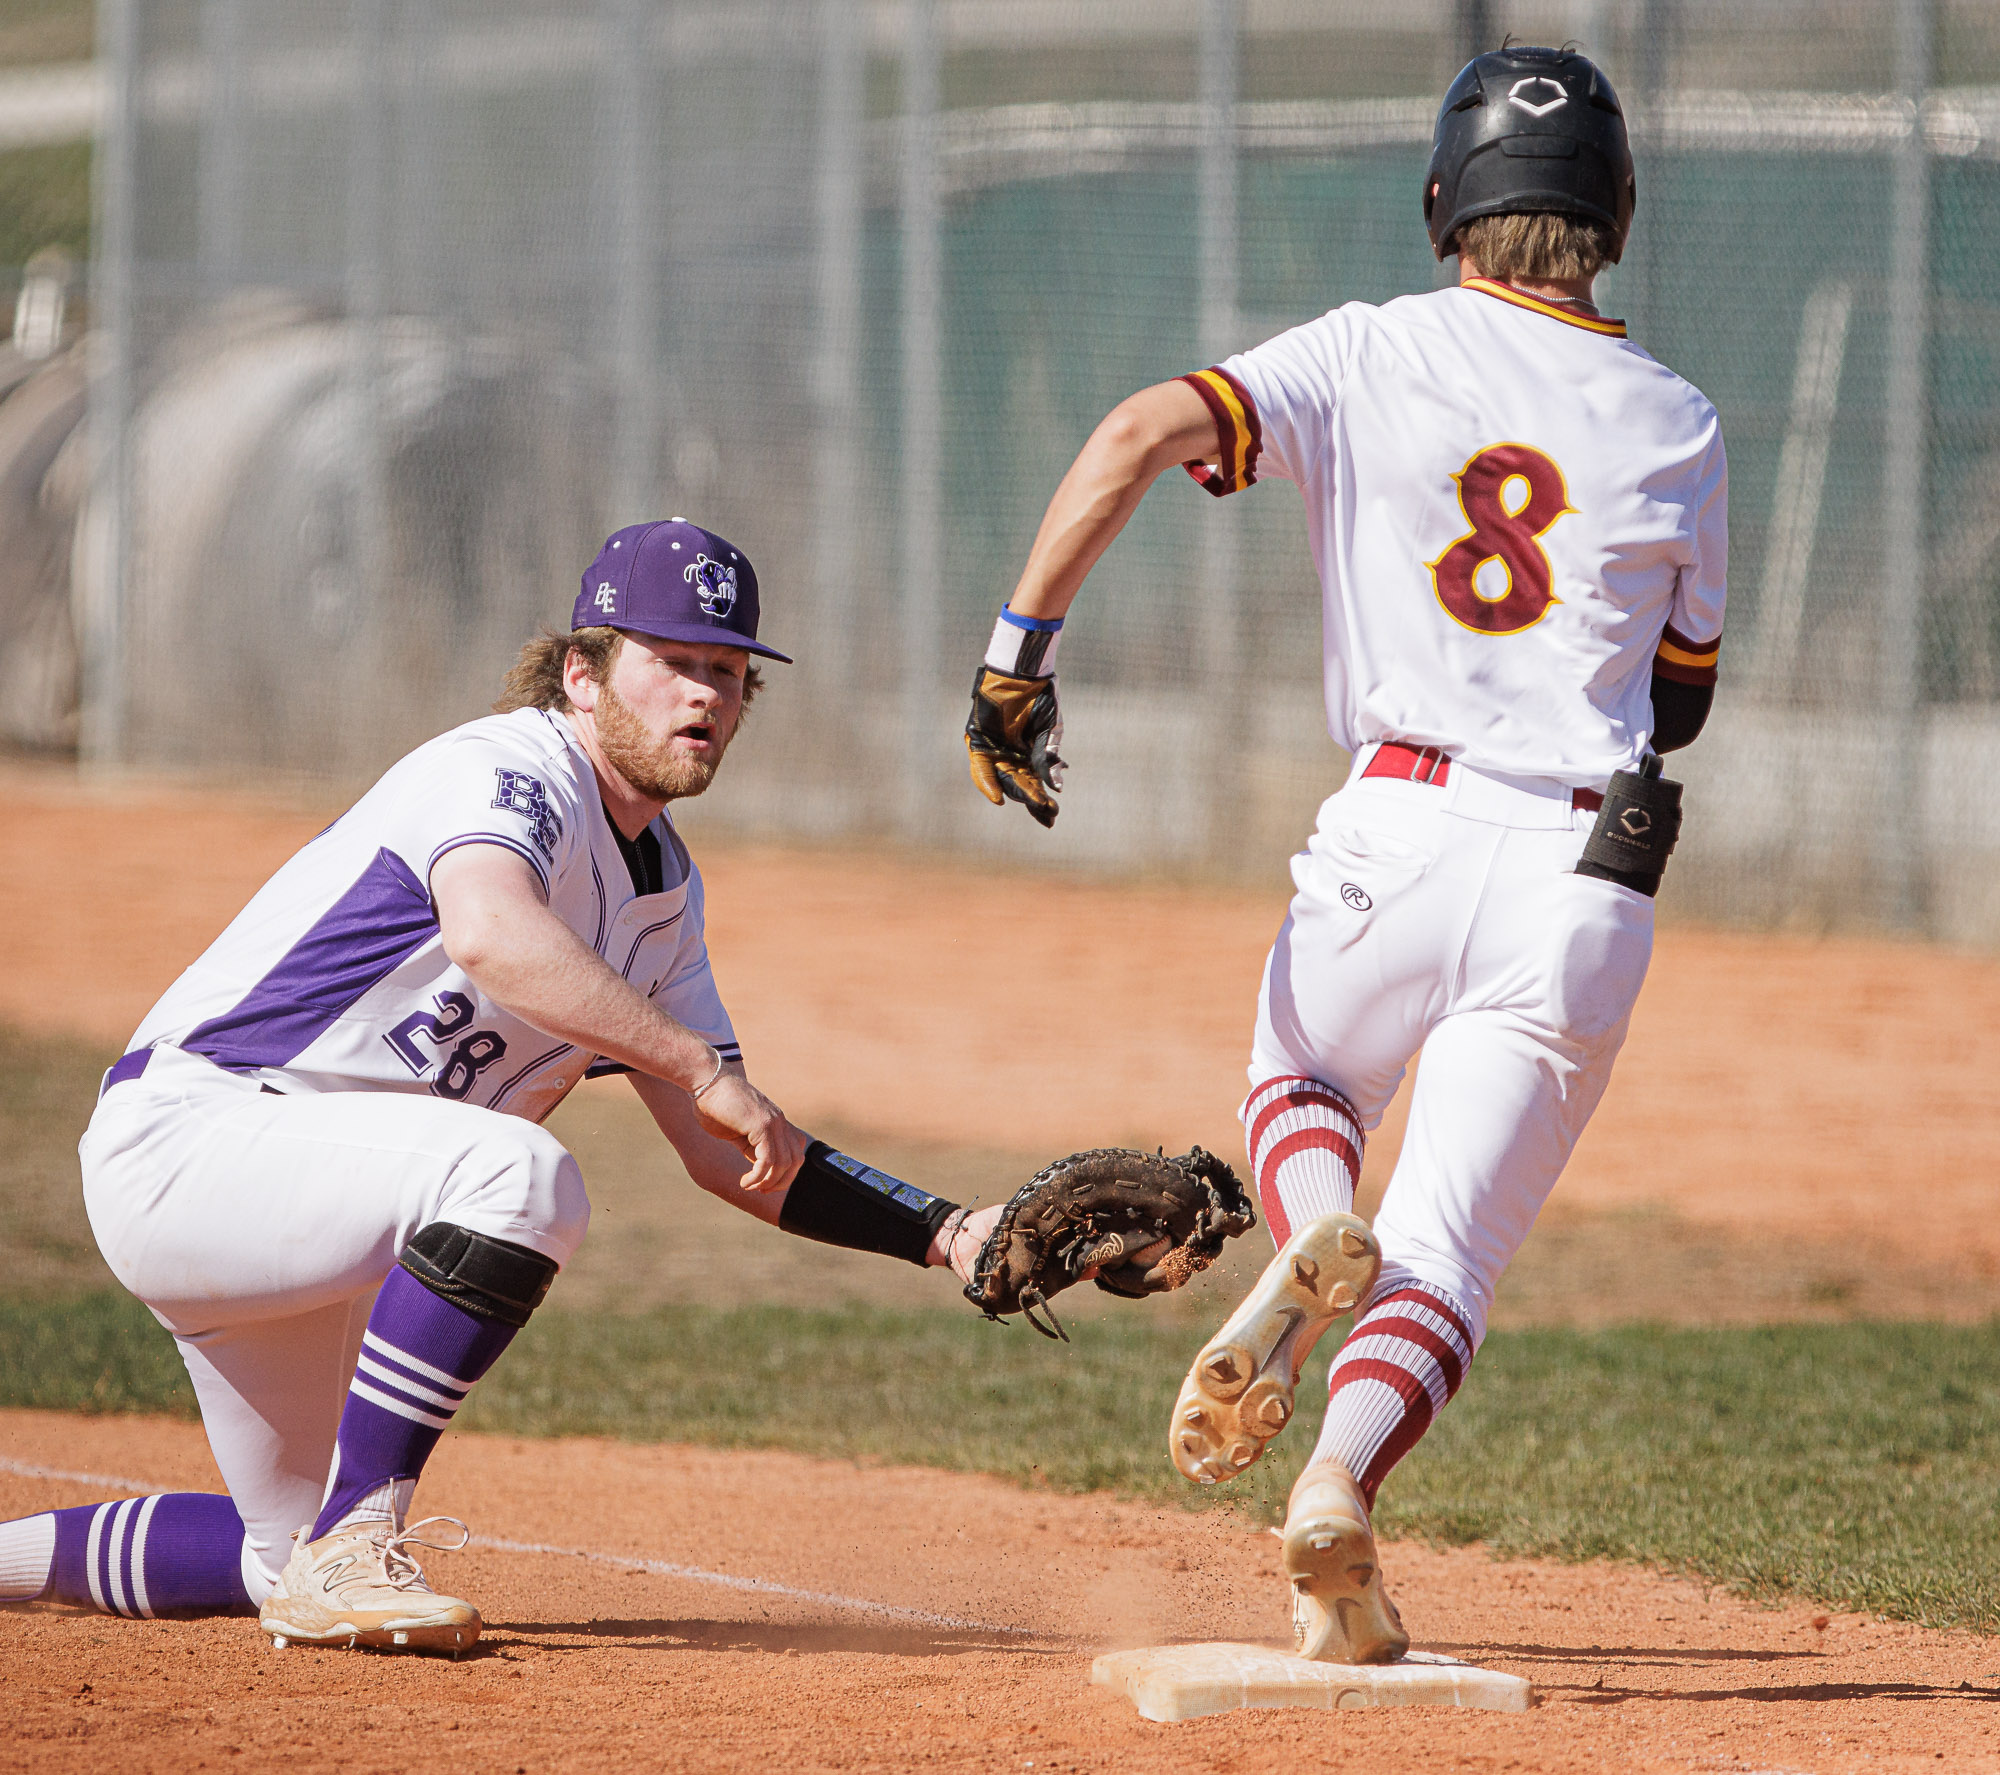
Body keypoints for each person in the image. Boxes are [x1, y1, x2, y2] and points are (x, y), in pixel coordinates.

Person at [963, 45, 1724, 1662]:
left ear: (1445, 200)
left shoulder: (1369, 353)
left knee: (1301, 1085)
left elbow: (1135, 434)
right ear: (1618, 216)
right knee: (1450, 1257)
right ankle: (1333, 1492)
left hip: (1397, 818)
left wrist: (1018, 653)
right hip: (1584, 863)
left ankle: (1315, 1221)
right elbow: (1686, 690)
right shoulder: (1678, 414)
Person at [0, 518, 1003, 1650]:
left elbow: (734, 1151)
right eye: (673, 661)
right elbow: (489, 930)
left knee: (266, 1555)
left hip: (311, 1193)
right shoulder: (504, 766)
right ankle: (359, 1540)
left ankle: (264, 1555)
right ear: (581, 671)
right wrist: (683, 1056)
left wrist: (951, 1232)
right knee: (517, 1175)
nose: (707, 696)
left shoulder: (665, 892)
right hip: (195, 1136)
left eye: (728, 673)